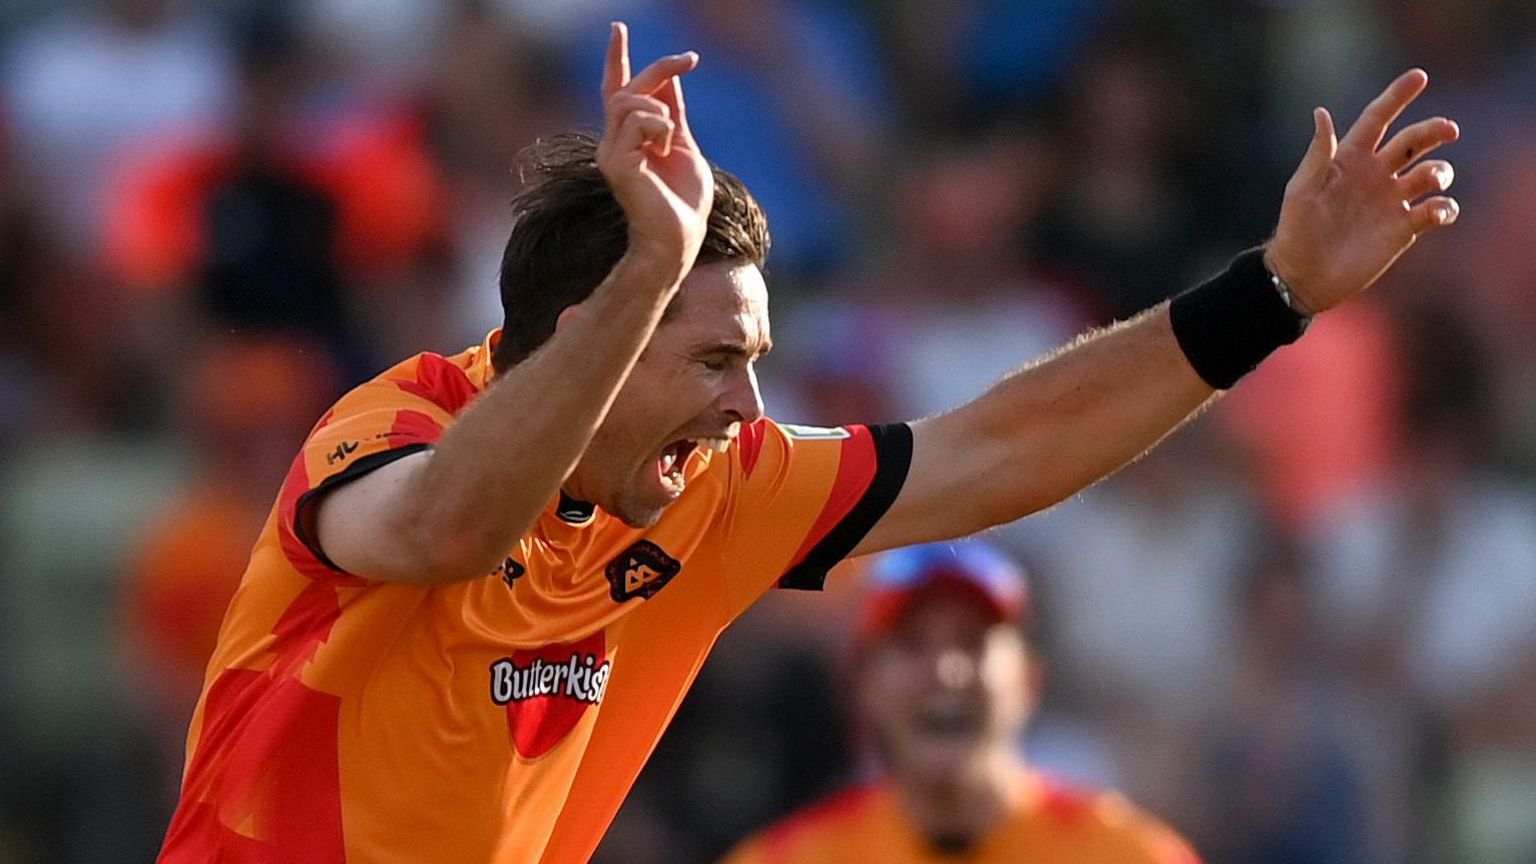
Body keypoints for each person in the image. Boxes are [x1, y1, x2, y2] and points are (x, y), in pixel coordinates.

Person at [156, 20, 1461, 864]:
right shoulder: (391, 430)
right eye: (716, 359)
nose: (746, 407)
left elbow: (994, 451)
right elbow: (451, 528)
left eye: (758, 361)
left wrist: (1274, 291)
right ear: (583, 331)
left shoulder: (716, 487)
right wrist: (649, 263)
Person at [720, 543, 1199, 863]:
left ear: (1029, 682)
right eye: (911, 644)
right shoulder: (790, 857)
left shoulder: (1125, 854)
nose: (946, 670)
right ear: (862, 684)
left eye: (973, 642)